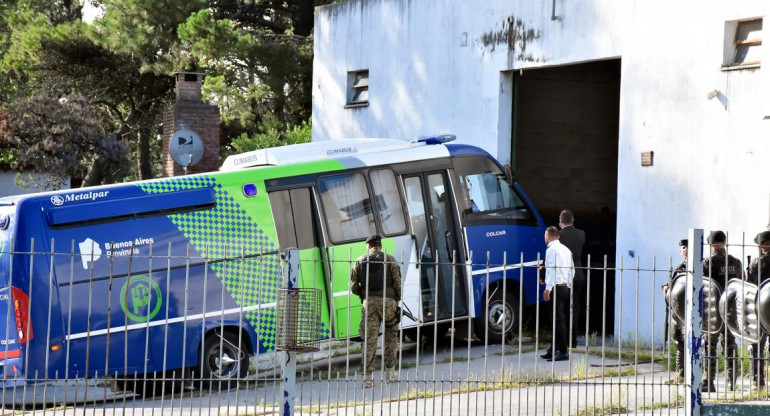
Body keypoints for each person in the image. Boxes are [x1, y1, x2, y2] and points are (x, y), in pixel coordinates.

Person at [350, 234, 402, 388]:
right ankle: (390, 373)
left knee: (369, 339)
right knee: (391, 336)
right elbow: (397, 281)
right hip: (388, 303)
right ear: (380, 245)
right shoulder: (390, 259)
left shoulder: (360, 261)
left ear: (368, 245)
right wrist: (396, 298)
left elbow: (353, 285)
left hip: (369, 303)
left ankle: (367, 379)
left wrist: (363, 295)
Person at [702, 230, 742, 392]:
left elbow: (702, 287)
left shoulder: (706, 264)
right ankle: (732, 381)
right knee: (730, 344)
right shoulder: (736, 262)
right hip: (730, 310)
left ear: (711, 245)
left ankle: (708, 381)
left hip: (712, 311)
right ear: (724, 243)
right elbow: (740, 284)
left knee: (709, 345)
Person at [539, 226, 575, 362]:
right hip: (564, 287)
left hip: (555, 287)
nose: (544, 238)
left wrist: (548, 288)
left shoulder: (551, 250)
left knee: (557, 320)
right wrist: (568, 285)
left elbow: (552, 270)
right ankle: (553, 349)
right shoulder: (566, 250)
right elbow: (572, 270)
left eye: (544, 235)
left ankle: (563, 351)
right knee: (556, 319)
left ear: (548, 236)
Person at [746, 229, 770, 391]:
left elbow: (749, 286)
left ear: (762, 247)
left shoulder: (757, 263)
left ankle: (757, 382)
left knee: (756, 346)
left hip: (760, 309)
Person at [558, 209, 586, 347]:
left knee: (561, 309)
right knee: (574, 308)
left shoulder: (558, 235)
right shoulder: (581, 234)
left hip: (563, 275)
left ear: (560, 221)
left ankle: (562, 341)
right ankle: (572, 340)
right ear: (573, 219)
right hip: (578, 275)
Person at [662, 238, 688, 384]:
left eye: (687, 247)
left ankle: (704, 378)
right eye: (683, 248)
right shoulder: (679, 268)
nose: (684, 250)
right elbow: (673, 284)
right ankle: (681, 375)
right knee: (679, 343)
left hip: (696, 312)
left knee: (703, 345)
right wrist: (666, 287)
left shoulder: (702, 265)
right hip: (679, 313)